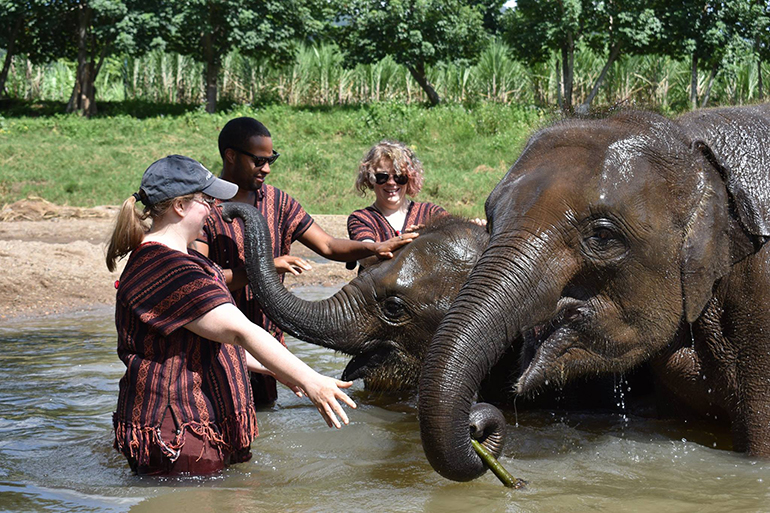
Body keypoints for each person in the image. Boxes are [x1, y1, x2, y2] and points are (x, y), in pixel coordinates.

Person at [106, 155, 355, 476]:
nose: (212, 209)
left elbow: (207, 345)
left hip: (193, 428)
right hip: (178, 433)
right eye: (206, 200)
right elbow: (239, 332)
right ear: (180, 206)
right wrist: (311, 380)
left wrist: (274, 369)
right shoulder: (166, 268)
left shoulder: (180, 260)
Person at [192, 118, 416, 407]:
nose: (267, 169)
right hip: (216, 342)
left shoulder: (278, 202)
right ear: (231, 156)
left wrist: (373, 247)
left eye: (271, 160)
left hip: (268, 344)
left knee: (263, 422)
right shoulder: (204, 208)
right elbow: (199, 282)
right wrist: (266, 268)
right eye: (259, 161)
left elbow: (328, 245)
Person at [347, 140, 448, 249]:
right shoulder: (361, 219)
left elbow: (458, 235)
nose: (391, 182)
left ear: (410, 178)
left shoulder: (431, 213)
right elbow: (366, 256)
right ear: (369, 178)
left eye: (399, 177)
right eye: (382, 177)